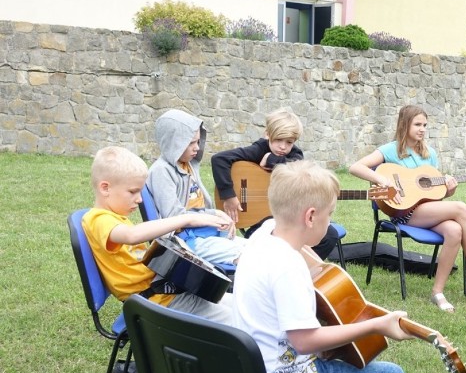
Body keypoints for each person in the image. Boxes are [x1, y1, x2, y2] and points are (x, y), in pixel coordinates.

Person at [231, 160, 412, 373]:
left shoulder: (263, 234)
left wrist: (324, 272)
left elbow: (305, 255)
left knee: (341, 372)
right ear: (311, 216)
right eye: (329, 214)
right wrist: (377, 324)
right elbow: (305, 341)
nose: (330, 221)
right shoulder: (287, 268)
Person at [349, 104, 466, 313]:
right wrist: (382, 180)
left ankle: (437, 292)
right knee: (462, 209)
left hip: (427, 212)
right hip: (403, 213)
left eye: (425, 125)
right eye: (417, 124)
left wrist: (449, 190)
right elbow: (356, 167)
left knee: (454, 230)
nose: (422, 129)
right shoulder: (390, 150)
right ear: (405, 125)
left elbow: (434, 194)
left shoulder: (429, 154)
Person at [82, 146, 233, 324]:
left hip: (167, 293)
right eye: (133, 191)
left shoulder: (116, 218)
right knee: (241, 321)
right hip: (160, 301)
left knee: (242, 306)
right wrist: (187, 219)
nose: (139, 199)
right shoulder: (98, 219)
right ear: (105, 188)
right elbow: (132, 235)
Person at [211, 108, 340, 259]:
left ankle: (303, 267)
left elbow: (298, 165)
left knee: (330, 235)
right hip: (260, 222)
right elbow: (219, 159)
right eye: (278, 140)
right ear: (267, 134)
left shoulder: (295, 155)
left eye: (289, 142)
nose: (283, 147)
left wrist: (272, 160)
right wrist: (228, 196)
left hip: (287, 215)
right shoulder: (259, 149)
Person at [147, 109, 245, 265]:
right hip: (184, 242)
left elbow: (196, 209)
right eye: (190, 143)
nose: (197, 148)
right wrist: (210, 218)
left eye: (198, 141)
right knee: (248, 257)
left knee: (257, 247)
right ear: (174, 142)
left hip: (202, 234)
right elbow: (174, 217)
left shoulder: (188, 165)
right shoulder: (161, 171)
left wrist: (218, 214)